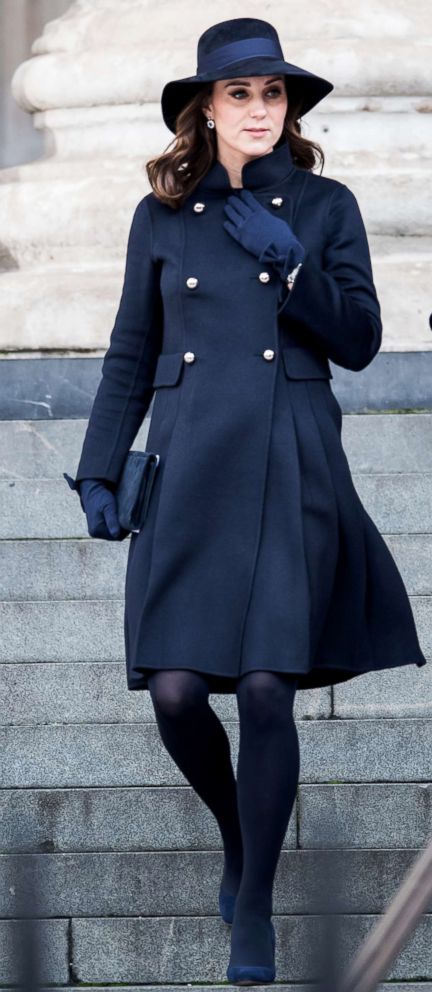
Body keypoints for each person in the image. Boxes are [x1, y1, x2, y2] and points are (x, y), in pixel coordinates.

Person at [64, 17, 427, 985]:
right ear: (205, 108)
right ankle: (238, 835)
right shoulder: (161, 214)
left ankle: (255, 900)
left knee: (267, 687)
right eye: (240, 94)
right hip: (189, 465)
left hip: (291, 457)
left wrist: (295, 264)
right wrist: (102, 467)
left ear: (288, 107)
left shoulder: (324, 203)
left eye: (273, 94)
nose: (260, 109)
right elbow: (130, 350)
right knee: (178, 691)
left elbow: (359, 341)